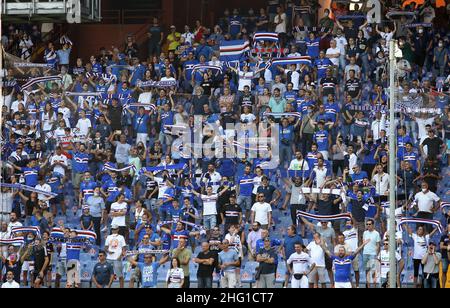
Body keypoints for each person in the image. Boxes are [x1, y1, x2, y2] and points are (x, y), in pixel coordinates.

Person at [362, 219, 380, 288]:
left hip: (373, 254)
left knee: (373, 271)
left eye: (370, 224)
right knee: (367, 271)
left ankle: (374, 286)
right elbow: (363, 243)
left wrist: (376, 254)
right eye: (367, 224)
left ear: (373, 225)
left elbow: (378, 245)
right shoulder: (365, 233)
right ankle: (368, 286)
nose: (368, 225)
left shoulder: (376, 233)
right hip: (365, 253)